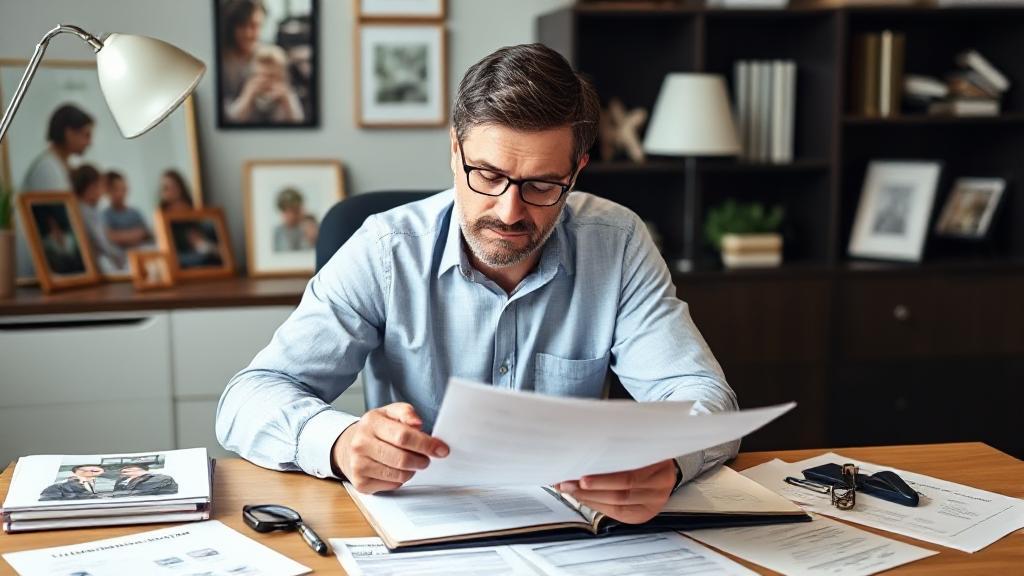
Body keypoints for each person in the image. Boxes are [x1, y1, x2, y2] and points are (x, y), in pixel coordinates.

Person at [217, 44, 737, 525]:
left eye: (541, 185)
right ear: (454, 148)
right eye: (486, 175)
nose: (509, 212)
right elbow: (248, 397)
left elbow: (701, 394)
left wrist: (667, 459)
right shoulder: (385, 249)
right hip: (419, 529)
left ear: (576, 172)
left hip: (571, 535)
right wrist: (339, 440)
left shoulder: (618, 243)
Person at [18, 104, 94, 278]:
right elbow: (64, 219)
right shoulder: (47, 168)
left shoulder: (60, 166)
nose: (90, 142)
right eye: (86, 135)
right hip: (50, 266)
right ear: (69, 133)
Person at [71, 165, 126, 272]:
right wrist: (125, 258)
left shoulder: (89, 210)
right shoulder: (85, 212)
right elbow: (103, 245)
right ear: (92, 188)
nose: (102, 192)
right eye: (101, 187)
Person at [103, 171, 153, 250]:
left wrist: (122, 236)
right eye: (116, 189)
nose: (121, 193)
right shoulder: (105, 215)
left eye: (123, 189)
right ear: (107, 191)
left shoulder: (135, 212)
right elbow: (110, 237)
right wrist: (136, 235)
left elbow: (147, 233)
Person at [39, 464, 105, 500]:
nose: (89, 472)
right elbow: (47, 501)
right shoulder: (58, 487)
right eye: (84, 470)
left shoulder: (108, 485)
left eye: (94, 471)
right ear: (75, 472)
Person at [112, 464, 178, 497]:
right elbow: (115, 494)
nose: (125, 474)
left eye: (129, 470)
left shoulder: (162, 478)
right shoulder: (122, 482)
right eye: (123, 472)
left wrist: (135, 478)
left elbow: (144, 491)